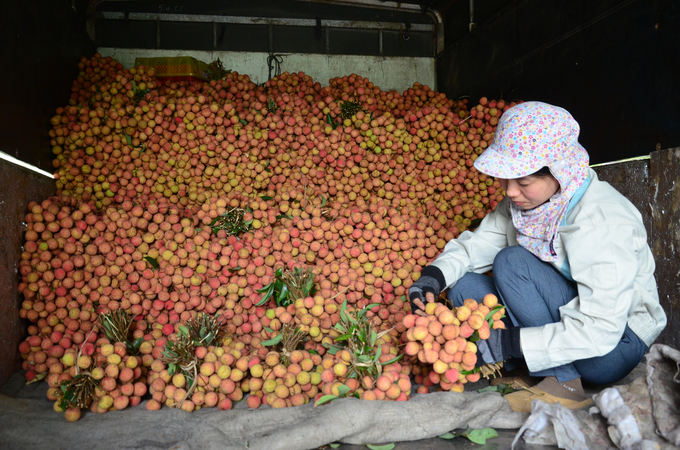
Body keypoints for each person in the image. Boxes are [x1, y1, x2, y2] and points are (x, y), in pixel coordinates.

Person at [408, 101, 667, 413]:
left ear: (558, 172)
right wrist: (432, 278)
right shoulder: (528, 205)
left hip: (613, 344)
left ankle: (563, 384)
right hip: (568, 315)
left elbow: (600, 329)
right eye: (504, 179)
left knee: (512, 263)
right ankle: (533, 367)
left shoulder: (602, 222)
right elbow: (476, 247)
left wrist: (510, 343)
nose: (510, 191)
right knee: (464, 288)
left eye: (523, 182)